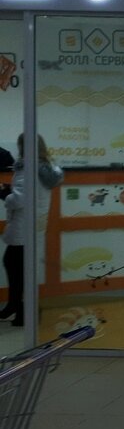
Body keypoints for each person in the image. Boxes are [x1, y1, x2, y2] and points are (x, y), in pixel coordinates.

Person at [0, 134, 64, 327]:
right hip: (34, 224)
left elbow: (20, 199)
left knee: (15, 266)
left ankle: (21, 310)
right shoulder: (46, 168)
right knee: (20, 267)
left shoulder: (28, 168)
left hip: (23, 224)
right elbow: (32, 192)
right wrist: (10, 189)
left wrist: (4, 194)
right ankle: (16, 307)